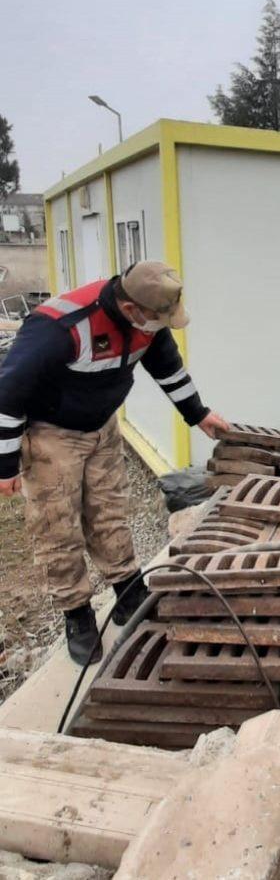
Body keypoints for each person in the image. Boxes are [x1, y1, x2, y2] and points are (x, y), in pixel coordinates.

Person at [0, 261, 229, 664]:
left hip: (102, 428)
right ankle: (77, 614)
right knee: (58, 525)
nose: (162, 328)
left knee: (110, 511)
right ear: (130, 309)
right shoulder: (59, 328)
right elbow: (7, 394)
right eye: (159, 320)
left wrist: (200, 414)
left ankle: (127, 592)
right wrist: (3, 467)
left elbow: (169, 370)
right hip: (52, 434)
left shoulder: (149, 323)